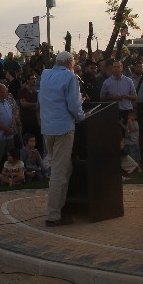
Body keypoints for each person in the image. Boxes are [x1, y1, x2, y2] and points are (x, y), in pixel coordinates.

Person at [39, 51, 88, 227]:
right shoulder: (70, 76)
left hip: (47, 128)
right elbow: (74, 105)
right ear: (70, 63)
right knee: (59, 173)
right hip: (63, 129)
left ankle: (60, 209)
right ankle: (53, 216)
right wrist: (82, 116)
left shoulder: (45, 75)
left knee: (66, 169)